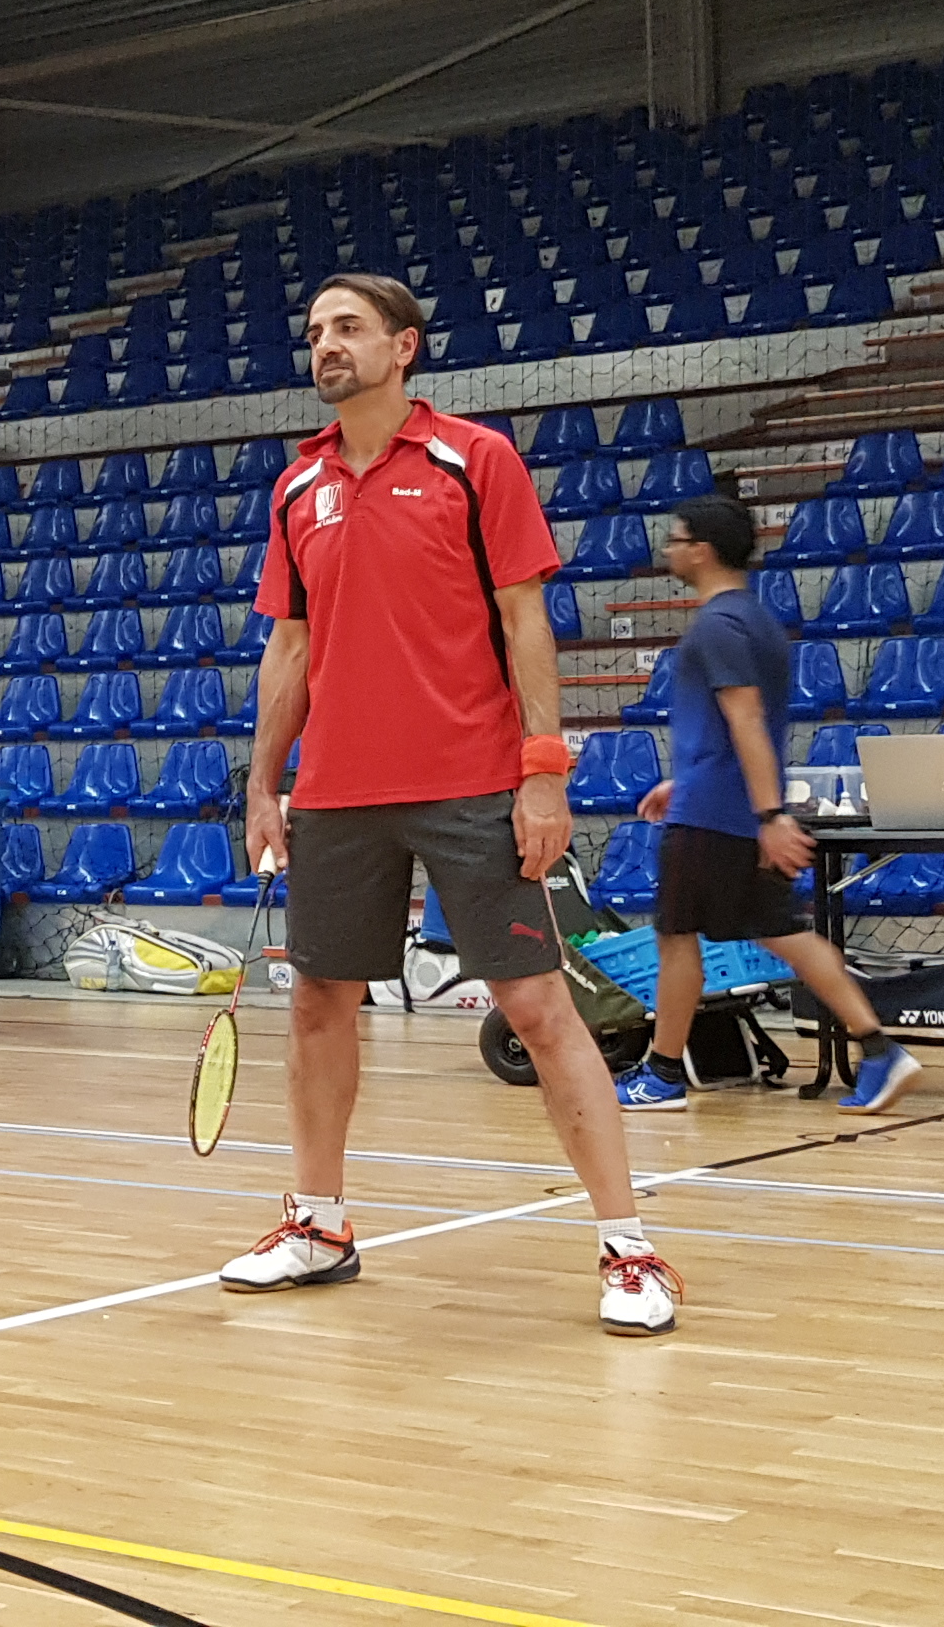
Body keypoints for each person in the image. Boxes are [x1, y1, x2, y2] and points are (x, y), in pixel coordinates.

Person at [229, 272, 679, 1336]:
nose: (326, 344)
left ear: (404, 346)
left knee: (538, 1008)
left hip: (472, 781)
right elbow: (288, 647)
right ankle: (319, 1225)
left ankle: (629, 1248)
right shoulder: (297, 489)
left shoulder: (475, 461)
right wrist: (262, 782)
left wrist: (543, 771)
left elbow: (526, 622)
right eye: (315, 331)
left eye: (348, 327)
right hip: (336, 791)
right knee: (318, 1003)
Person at [619, 497, 923, 1116]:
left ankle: (663, 1074)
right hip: (721, 803)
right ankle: (879, 1048)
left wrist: (770, 817)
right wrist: (693, 780)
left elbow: (747, 720)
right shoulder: (756, 620)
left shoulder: (717, 626)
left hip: (715, 819)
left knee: (676, 938)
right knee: (786, 934)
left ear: (702, 550)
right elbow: (734, 728)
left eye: (677, 540)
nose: (669, 550)